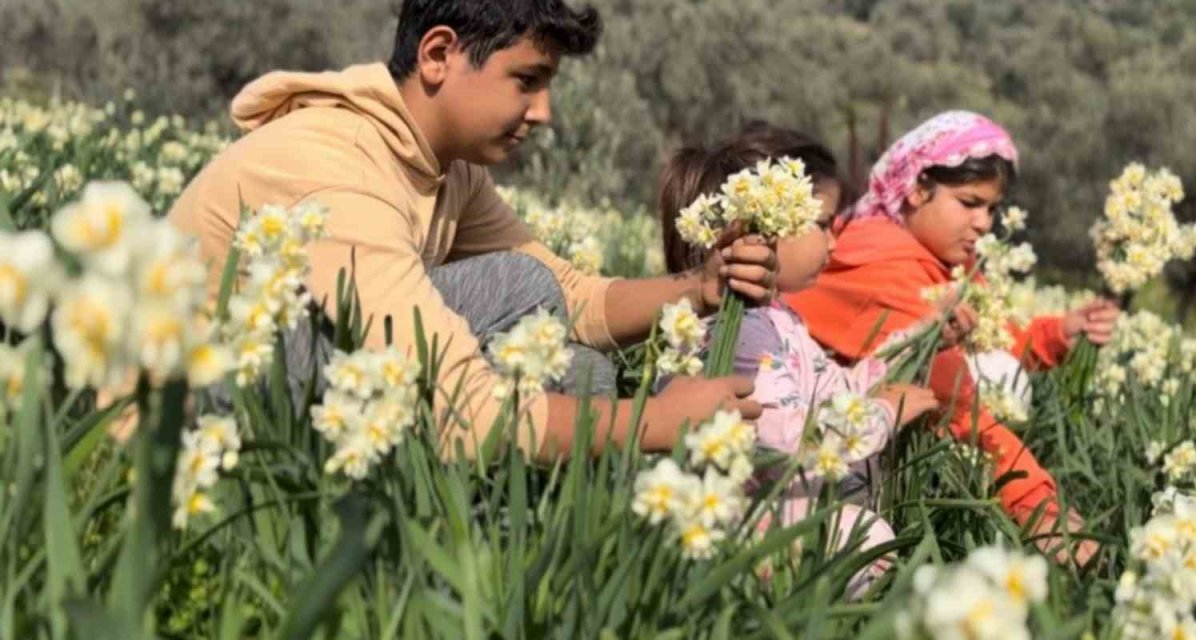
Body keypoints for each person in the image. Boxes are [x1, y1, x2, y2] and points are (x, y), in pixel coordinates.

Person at [168, 0, 781, 460]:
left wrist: (702, 285)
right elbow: (461, 408)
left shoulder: (445, 166)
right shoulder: (339, 168)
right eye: (527, 80)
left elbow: (572, 298)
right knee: (517, 286)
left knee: (581, 371)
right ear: (439, 55)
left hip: (304, 397)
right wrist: (654, 421)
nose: (543, 113)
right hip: (195, 421)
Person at [787, 111, 1119, 565]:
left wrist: (1059, 333)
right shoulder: (883, 265)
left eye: (993, 209)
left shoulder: (938, 266)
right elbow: (956, 402)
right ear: (917, 189)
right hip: (816, 475)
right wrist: (1038, 508)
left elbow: (993, 338)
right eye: (969, 203)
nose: (984, 223)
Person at [658, 122, 940, 595]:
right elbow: (788, 440)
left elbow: (839, 389)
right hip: (743, 524)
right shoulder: (741, 328)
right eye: (823, 222)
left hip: (772, 510)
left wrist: (929, 334)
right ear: (761, 223)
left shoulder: (777, 316)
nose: (834, 244)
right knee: (866, 537)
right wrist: (886, 412)